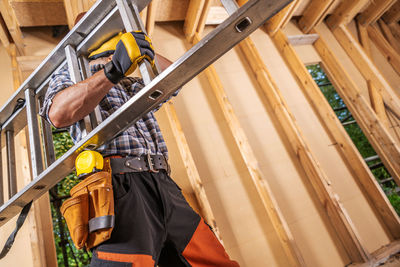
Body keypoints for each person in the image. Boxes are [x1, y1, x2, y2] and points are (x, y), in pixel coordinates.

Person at [40, 28, 239, 266]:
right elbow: (59, 114)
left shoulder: (129, 83)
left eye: (114, 29)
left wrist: (145, 49)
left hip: (164, 184)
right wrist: (112, 71)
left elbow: (177, 78)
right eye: (102, 28)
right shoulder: (71, 75)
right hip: (119, 185)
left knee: (212, 260)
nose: (109, 33)